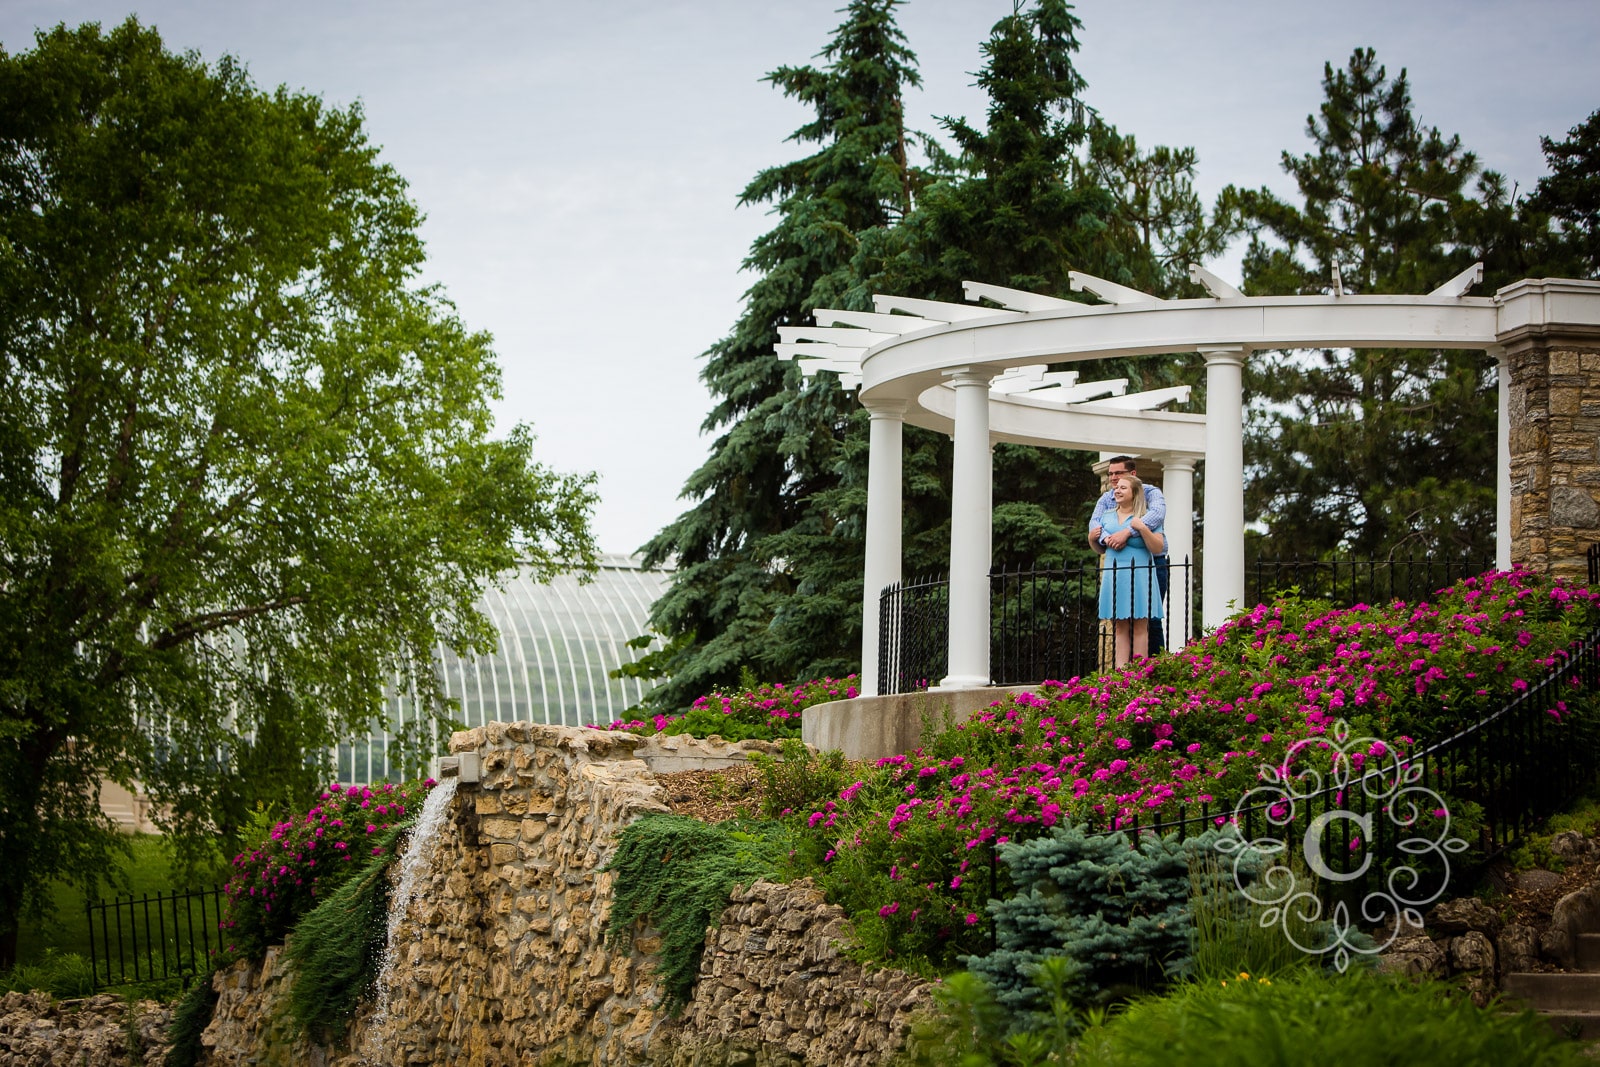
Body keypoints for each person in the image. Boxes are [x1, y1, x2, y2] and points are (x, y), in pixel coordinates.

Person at [1088, 456, 1169, 652]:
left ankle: (1155, 667)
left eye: (1118, 473)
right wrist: (1107, 539)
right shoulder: (1107, 499)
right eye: (1111, 474)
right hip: (1118, 566)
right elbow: (1095, 524)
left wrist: (1127, 533)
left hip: (1151, 563)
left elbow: (1155, 515)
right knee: (1120, 622)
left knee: (1151, 620)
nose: (1113, 479)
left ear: (1132, 474)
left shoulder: (1151, 494)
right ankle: (1126, 673)